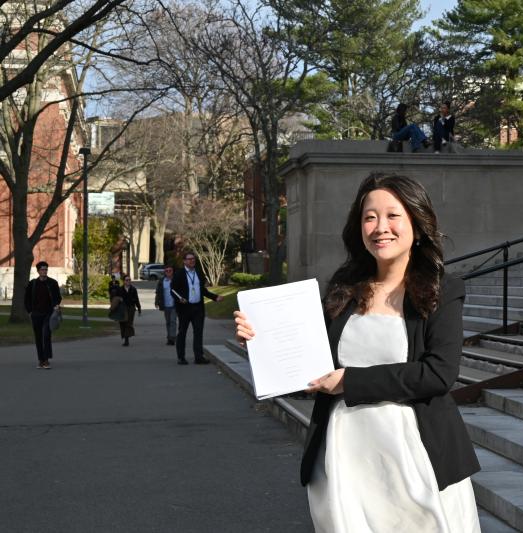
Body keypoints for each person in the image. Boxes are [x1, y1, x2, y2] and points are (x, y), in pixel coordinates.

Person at [235, 173, 481, 532]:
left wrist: (350, 381)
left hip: (415, 456)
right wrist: (262, 345)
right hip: (344, 455)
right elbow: (312, 369)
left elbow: (439, 373)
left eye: (392, 215)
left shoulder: (443, 291)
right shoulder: (344, 289)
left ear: (416, 221)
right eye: (369, 217)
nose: (380, 227)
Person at [172, 251, 223, 365]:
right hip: (184, 308)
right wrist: (179, 299)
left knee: (198, 333)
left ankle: (199, 357)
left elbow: (203, 290)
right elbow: (173, 290)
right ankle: (181, 357)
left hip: (198, 308)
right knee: (182, 333)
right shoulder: (179, 274)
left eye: (193, 259)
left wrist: (215, 297)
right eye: (189, 259)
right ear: (184, 261)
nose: (192, 261)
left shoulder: (199, 273)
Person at [24, 261, 62, 369]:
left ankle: (46, 360)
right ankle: (40, 360)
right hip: (36, 314)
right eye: (42, 270)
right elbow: (26, 299)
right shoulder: (33, 284)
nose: (44, 271)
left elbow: (58, 297)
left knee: (46, 335)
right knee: (38, 337)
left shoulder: (52, 283)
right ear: (38, 271)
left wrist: (56, 305)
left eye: (46, 269)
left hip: (49, 313)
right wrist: (30, 311)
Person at [155, 265, 177, 345]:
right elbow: (158, 292)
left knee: (173, 321)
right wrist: (156, 302)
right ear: (165, 272)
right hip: (165, 305)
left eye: (170, 270)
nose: (168, 272)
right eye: (166, 271)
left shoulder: (176, 280)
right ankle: (169, 337)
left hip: (174, 305)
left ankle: (172, 338)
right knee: (168, 322)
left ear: (172, 271)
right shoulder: (162, 281)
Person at [118, 275, 141, 346]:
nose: (128, 281)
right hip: (122, 308)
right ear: (124, 281)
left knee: (128, 323)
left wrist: (139, 308)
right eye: (127, 280)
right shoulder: (120, 289)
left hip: (131, 308)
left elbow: (137, 299)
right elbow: (116, 299)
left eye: (129, 280)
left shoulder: (133, 289)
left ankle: (126, 340)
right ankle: (125, 336)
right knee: (122, 323)